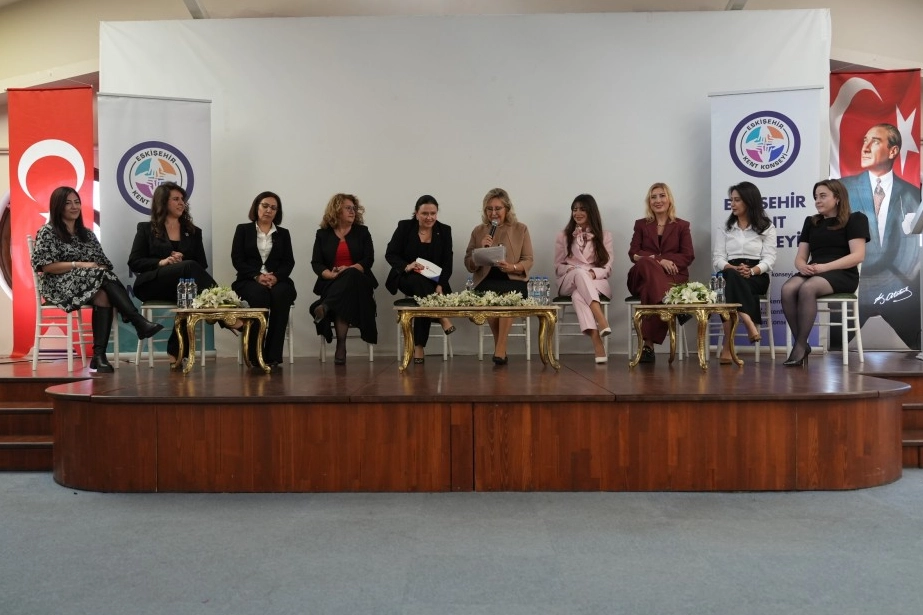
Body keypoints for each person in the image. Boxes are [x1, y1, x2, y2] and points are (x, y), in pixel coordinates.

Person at [31, 186, 163, 373]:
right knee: (103, 278)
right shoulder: (48, 232)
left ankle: (99, 356)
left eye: (77, 202)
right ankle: (136, 320)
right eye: (68, 203)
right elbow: (47, 267)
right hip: (58, 285)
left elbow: (103, 263)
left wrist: (95, 267)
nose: (74, 207)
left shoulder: (87, 234)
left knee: (103, 294)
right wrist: (79, 264)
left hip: (88, 282)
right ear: (58, 206)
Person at [128, 181, 239, 363]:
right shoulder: (146, 229)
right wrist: (162, 262)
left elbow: (201, 265)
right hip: (152, 284)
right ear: (163, 202)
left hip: (181, 286)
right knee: (189, 272)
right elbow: (135, 262)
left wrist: (181, 261)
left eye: (183, 199)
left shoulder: (193, 232)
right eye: (176, 199)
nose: (182, 203)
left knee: (189, 294)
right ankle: (225, 313)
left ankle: (176, 352)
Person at [839, 123, 922, 348]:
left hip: (901, 290)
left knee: (918, 344)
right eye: (865, 141)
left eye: (874, 141)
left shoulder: (913, 194)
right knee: (834, 347)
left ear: (893, 151)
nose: (865, 147)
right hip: (854, 285)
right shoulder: (841, 190)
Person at [781, 179, 869, 367]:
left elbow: (858, 256)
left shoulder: (855, 219)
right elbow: (801, 257)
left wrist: (824, 267)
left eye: (822, 196)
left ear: (837, 198)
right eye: (815, 197)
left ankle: (799, 347)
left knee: (808, 288)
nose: (817, 201)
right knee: (788, 289)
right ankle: (802, 343)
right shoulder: (811, 222)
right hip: (815, 270)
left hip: (842, 273)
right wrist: (802, 267)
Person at [626, 182, 695, 363]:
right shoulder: (641, 225)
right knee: (646, 262)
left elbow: (688, 255)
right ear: (649, 201)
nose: (658, 200)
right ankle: (669, 303)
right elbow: (633, 254)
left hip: (672, 277)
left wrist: (661, 262)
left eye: (662, 196)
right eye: (653, 197)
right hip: (640, 277)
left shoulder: (682, 225)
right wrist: (659, 260)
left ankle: (648, 346)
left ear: (669, 199)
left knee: (651, 288)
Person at [464, 187, 533, 365]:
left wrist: (512, 267)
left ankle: (500, 348)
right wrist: (480, 250)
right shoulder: (478, 231)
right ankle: (500, 349)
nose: (493, 213)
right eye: (489, 209)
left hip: (513, 280)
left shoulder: (520, 229)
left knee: (507, 299)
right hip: (486, 280)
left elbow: (528, 259)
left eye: (497, 208)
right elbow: (468, 264)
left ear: (507, 209)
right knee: (490, 298)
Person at [712, 181, 777, 364]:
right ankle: (748, 321)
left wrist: (753, 271)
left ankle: (727, 347)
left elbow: (770, 259)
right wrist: (732, 268)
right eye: (731, 200)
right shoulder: (725, 227)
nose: (732, 204)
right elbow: (718, 258)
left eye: (737, 200)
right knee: (730, 278)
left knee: (729, 287)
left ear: (749, 201)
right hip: (729, 271)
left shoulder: (766, 227)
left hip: (756, 276)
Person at [230, 191, 297, 372]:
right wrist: (257, 276)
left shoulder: (283, 233)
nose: (269, 210)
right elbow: (237, 259)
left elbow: (289, 262)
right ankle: (255, 354)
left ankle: (273, 356)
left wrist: (276, 277)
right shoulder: (243, 229)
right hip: (248, 280)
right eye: (265, 206)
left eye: (273, 208)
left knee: (282, 294)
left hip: (277, 280)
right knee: (259, 295)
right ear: (257, 207)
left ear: (277, 212)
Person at [385, 194, 454, 364]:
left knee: (423, 295)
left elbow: (447, 262)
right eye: (425, 213)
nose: (429, 217)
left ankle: (419, 347)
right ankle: (440, 316)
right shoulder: (404, 227)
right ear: (416, 213)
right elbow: (390, 254)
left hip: (433, 281)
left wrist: (441, 285)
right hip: (407, 277)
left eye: (433, 213)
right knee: (418, 282)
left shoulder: (444, 231)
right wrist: (407, 266)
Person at [310, 193, 378, 365]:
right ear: (336, 210)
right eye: (348, 208)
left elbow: (368, 260)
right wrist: (332, 275)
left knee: (351, 274)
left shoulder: (362, 232)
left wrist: (349, 269)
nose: (352, 211)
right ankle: (341, 345)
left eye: (354, 208)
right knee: (344, 299)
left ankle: (326, 306)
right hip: (333, 282)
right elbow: (316, 263)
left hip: (360, 282)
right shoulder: (322, 234)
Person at [553, 193, 613, 363]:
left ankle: (596, 341)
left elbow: (608, 267)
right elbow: (558, 267)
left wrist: (592, 273)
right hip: (569, 280)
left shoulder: (605, 235)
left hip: (595, 282)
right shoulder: (563, 236)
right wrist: (572, 268)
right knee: (579, 273)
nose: (577, 213)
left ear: (591, 211)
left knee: (578, 296)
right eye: (574, 209)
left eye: (582, 209)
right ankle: (600, 319)